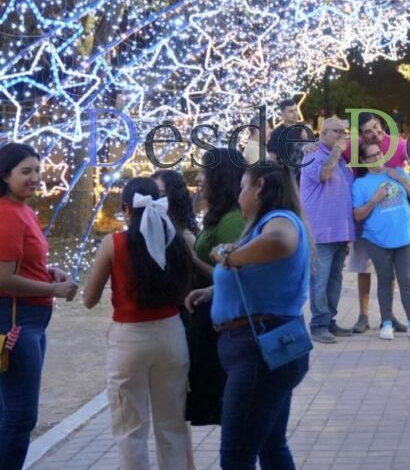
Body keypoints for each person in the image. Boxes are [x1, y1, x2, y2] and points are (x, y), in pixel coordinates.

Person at [185, 163, 313, 468]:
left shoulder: (278, 219)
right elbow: (268, 276)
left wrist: (230, 257)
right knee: (271, 446)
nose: (239, 195)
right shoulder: (266, 221)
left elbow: (279, 242)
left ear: (260, 187)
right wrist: (215, 292)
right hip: (264, 344)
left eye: (244, 187)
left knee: (236, 455)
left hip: (258, 348)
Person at [83, 177, 195, 470]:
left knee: (131, 428)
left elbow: (89, 299)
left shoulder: (114, 243)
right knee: (172, 426)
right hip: (172, 333)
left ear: (125, 209)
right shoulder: (178, 240)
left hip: (129, 337)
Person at [0, 143, 77, 468]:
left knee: (12, 413)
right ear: (5, 175)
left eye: (37, 170)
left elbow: (21, 263)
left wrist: (47, 271)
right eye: (25, 171)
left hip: (31, 322)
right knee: (19, 416)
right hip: (15, 322)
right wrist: (54, 289)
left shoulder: (24, 210)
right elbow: (3, 279)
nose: (34, 177)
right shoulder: (7, 213)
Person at [185, 147, 245, 427]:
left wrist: (192, 259)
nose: (199, 178)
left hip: (224, 323)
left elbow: (234, 276)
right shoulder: (218, 214)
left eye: (204, 172)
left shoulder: (233, 220)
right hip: (209, 312)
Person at [351, 141, 410, 342]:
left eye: (379, 153)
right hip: (376, 240)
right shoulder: (360, 184)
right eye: (372, 156)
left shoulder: (397, 172)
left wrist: (401, 178)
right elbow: (358, 215)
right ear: (364, 161)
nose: (377, 157)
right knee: (384, 280)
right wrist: (374, 199)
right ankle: (386, 323)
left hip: (405, 236)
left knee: (405, 279)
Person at [301, 117, 356, 344]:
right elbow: (324, 174)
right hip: (321, 231)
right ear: (323, 133)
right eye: (337, 131)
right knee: (319, 280)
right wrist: (337, 150)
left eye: (344, 132)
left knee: (334, 280)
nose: (342, 136)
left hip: (339, 231)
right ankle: (318, 324)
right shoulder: (313, 154)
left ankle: (329, 319)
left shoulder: (341, 160)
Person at [152, 169, 200, 247]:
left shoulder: (185, 236)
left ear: (176, 198)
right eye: (152, 195)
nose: (154, 201)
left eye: (162, 196)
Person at [267, 98, 310, 172]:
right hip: (287, 175)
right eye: (291, 111)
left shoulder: (302, 129)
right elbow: (272, 159)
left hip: (306, 173)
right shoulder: (276, 134)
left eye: (296, 110)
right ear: (282, 114)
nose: (295, 113)